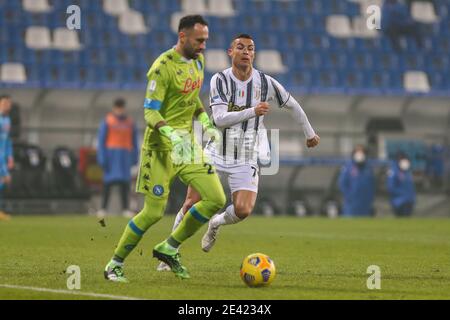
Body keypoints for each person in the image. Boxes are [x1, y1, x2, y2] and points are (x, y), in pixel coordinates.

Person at [157, 33, 320, 270]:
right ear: (230, 52)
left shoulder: (266, 83)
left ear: (254, 54)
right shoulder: (219, 80)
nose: (246, 51)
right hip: (216, 151)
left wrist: (310, 134)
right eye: (240, 47)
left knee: (243, 210)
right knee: (191, 203)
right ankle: (169, 253)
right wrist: (253, 111)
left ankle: (215, 223)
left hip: (245, 156)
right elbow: (220, 119)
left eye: (250, 48)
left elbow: (293, 105)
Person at [103, 15, 226, 282]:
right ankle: (114, 264)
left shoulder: (199, 62)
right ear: (183, 37)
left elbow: (192, 100)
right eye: (199, 40)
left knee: (216, 199)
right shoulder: (161, 67)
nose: (204, 46)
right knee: (154, 212)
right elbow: (149, 112)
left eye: (206, 40)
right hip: (160, 148)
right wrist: (169, 131)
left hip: (186, 145)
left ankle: (169, 247)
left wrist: (205, 122)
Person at [96, 98, 139, 220]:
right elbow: (101, 141)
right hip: (111, 156)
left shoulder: (130, 122)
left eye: (121, 107)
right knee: (107, 183)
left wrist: (135, 156)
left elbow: (134, 141)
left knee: (125, 184)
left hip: (125, 156)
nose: (120, 110)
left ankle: (125, 209)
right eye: (118, 107)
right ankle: (103, 209)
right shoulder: (108, 121)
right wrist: (102, 157)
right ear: (114, 108)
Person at [338, 145, 375, 217]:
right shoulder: (348, 167)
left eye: (361, 152)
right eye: (358, 152)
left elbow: (372, 185)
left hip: (365, 203)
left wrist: (370, 198)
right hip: (351, 203)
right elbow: (342, 184)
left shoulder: (368, 168)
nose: (360, 155)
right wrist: (349, 196)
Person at [0, 94, 14, 221]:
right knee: (4, 179)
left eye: (8, 104)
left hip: (3, 158)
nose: (7, 106)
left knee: (2, 183)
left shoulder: (7, 120)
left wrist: (10, 156)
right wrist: (4, 170)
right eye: (4, 103)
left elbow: (8, 141)